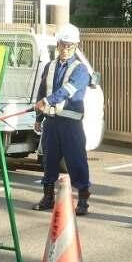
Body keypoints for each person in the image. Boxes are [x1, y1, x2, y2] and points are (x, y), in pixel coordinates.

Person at [32, 23, 93, 215]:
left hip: (71, 125)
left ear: (76, 47)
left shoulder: (81, 70)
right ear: (57, 45)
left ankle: (82, 200)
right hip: (51, 123)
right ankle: (48, 197)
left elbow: (68, 90)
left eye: (70, 46)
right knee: (49, 161)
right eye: (62, 45)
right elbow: (42, 91)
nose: (65, 49)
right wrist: (39, 117)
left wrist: (47, 101)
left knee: (76, 161)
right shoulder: (49, 66)